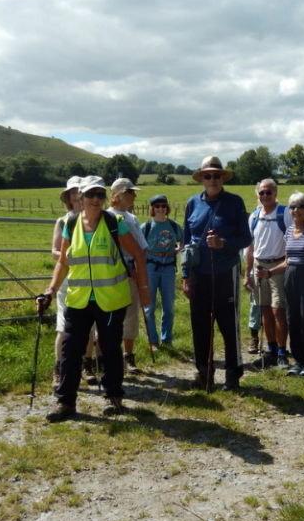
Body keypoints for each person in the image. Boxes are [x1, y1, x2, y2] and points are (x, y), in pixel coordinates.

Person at [37, 176, 150, 422]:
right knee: (70, 350)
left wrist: (144, 288)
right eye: (90, 194)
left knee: (109, 350)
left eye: (100, 194)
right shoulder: (71, 224)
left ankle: (113, 396)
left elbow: (138, 254)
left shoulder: (114, 223)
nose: (95, 199)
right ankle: (65, 402)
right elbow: (63, 262)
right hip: (78, 300)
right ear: (81, 197)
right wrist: (50, 291)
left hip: (111, 299)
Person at [182, 156, 251, 391]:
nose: (212, 179)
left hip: (225, 272)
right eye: (208, 176)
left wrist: (223, 243)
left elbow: (246, 238)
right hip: (198, 273)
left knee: (229, 325)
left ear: (223, 178)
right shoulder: (192, 203)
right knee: (200, 325)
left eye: (216, 175)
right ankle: (204, 373)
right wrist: (185, 275)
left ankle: (233, 374)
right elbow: (186, 241)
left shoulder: (235, 202)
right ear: (201, 179)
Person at [255, 192, 304, 376]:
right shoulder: (288, 231)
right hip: (290, 279)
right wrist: (269, 273)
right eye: (292, 207)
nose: (296, 210)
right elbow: (287, 262)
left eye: (300, 206)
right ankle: (298, 361)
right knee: (292, 320)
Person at [50, 176, 98, 388]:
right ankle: (59, 369)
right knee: (64, 326)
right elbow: (55, 252)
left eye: (80, 191)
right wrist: (75, 256)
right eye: (73, 192)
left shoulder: (96, 220)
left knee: (89, 326)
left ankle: (86, 366)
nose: (77, 196)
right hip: (69, 280)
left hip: (91, 280)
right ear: (68, 197)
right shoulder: (64, 221)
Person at [244, 179, 293, 369]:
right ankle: (271, 351)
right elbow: (250, 247)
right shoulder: (254, 216)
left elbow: (292, 239)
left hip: (278, 266)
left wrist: (285, 264)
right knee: (264, 310)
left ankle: (282, 352)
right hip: (259, 267)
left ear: (275, 193)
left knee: (278, 311)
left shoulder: (284, 213)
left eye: (268, 192)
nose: (265, 196)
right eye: (262, 192)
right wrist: (247, 274)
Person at [108, 178, 149, 374]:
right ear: (120, 194)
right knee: (109, 315)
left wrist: (140, 269)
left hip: (133, 272)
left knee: (131, 314)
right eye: (131, 192)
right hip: (112, 273)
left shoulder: (132, 218)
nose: (134, 196)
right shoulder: (107, 216)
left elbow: (142, 246)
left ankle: (128, 356)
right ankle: (106, 356)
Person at [141, 194, 183, 348]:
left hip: (169, 266)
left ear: (167, 208)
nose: (160, 209)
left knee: (169, 307)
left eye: (163, 206)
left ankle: (167, 339)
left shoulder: (173, 225)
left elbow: (183, 238)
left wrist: (179, 249)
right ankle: (153, 340)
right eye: (157, 206)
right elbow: (138, 245)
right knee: (149, 307)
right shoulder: (146, 226)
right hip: (151, 266)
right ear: (152, 208)